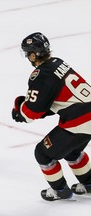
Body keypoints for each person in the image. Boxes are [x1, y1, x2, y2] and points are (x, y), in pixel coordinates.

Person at [12, 32, 91, 201]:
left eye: (28, 53)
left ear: (33, 54)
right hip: (87, 114)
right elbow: (58, 99)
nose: (28, 57)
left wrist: (19, 109)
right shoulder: (58, 62)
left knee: (43, 154)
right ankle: (90, 184)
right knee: (72, 151)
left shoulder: (41, 75)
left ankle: (60, 190)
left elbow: (31, 112)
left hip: (80, 119)